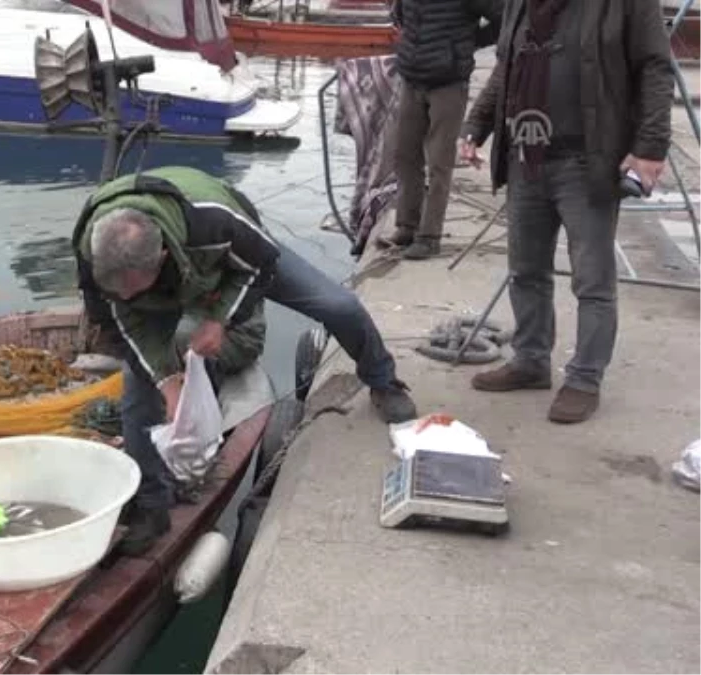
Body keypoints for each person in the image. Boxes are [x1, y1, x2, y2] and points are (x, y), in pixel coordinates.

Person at [72, 166, 418, 555]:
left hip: (233, 266)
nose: (127, 297)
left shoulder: (213, 218)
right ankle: (152, 505)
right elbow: (120, 323)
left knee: (339, 306)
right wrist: (167, 382)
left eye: (134, 289)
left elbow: (261, 266)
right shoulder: (94, 253)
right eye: (119, 290)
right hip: (160, 291)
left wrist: (219, 319)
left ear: (163, 255)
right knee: (138, 394)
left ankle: (382, 380)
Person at [459, 0, 673, 423]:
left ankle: (584, 379)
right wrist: (476, 125)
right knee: (525, 270)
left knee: (592, 279)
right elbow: (506, 66)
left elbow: (655, 67)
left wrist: (650, 147)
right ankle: (531, 361)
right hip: (525, 157)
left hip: (586, 161)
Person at [387, 0, 503, 259]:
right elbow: (400, 16)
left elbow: (504, 18)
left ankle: (429, 237)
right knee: (404, 155)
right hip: (411, 77)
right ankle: (407, 226)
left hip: (448, 82)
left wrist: (469, 42)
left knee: (439, 161)